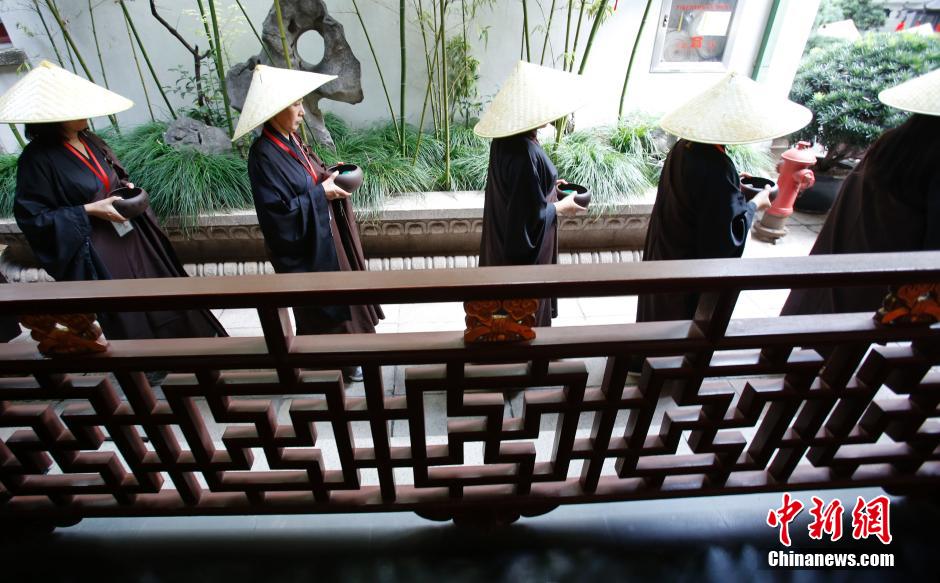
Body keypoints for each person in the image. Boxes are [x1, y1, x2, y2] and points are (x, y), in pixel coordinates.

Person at [1, 61, 225, 346]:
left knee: (161, 288)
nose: (86, 114)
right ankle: (146, 364)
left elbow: (116, 175)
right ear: (53, 117)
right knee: (127, 307)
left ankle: (190, 347)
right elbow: (34, 218)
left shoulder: (91, 140)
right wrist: (88, 210)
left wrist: (125, 188)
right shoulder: (36, 160)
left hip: (130, 233)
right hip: (97, 244)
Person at [235, 65, 382, 382]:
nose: (302, 111)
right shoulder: (263, 155)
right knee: (324, 301)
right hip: (306, 243)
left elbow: (307, 178)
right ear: (275, 111)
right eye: (295, 105)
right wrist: (320, 194)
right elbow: (277, 213)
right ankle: (334, 359)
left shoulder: (291, 140)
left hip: (324, 231)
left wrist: (328, 175)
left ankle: (353, 350)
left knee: (343, 292)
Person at [635, 72, 811, 324]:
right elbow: (726, 235)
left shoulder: (684, 147)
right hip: (688, 261)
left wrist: (731, 185)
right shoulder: (716, 165)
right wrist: (755, 203)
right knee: (678, 317)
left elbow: (700, 196)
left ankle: (645, 355)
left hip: (667, 246)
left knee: (657, 308)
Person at [781, 69, 940, 316]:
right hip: (879, 269)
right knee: (843, 327)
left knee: (812, 308)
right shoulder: (929, 159)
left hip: (843, 249)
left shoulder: (893, 142)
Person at [474, 61, 588, 326]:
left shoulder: (505, 140)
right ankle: (524, 352)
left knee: (503, 308)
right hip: (522, 256)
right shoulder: (525, 153)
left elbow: (521, 191)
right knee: (523, 310)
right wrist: (561, 207)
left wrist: (548, 186)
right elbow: (527, 220)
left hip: (501, 244)